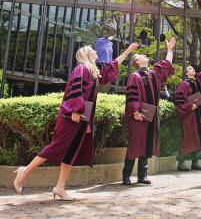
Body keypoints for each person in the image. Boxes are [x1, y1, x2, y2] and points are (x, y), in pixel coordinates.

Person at [13, 42, 139, 200]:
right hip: (72, 116)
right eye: (92, 50)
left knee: (71, 152)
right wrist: (75, 110)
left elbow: (112, 66)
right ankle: (24, 171)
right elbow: (76, 89)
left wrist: (127, 51)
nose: (95, 51)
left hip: (82, 117)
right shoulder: (81, 68)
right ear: (86, 54)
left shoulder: (94, 71)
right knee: (56, 146)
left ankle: (60, 187)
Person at [122, 37, 176, 186]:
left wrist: (169, 50)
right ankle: (126, 175)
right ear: (137, 62)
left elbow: (167, 65)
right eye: (142, 56)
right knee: (135, 143)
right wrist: (135, 112)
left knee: (147, 143)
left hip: (151, 115)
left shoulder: (153, 74)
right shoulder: (135, 76)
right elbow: (132, 95)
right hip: (138, 115)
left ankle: (142, 176)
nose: (145, 56)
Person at [174, 48, 201, 171]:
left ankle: (195, 162)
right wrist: (189, 106)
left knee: (198, 136)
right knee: (187, 137)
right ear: (186, 73)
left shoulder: (198, 82)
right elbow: (178, 100)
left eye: (192, 68)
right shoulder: (183, 84)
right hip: (188, 115)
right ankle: (181, 163)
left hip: (199, 114)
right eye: (189, 69)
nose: (192, 69)